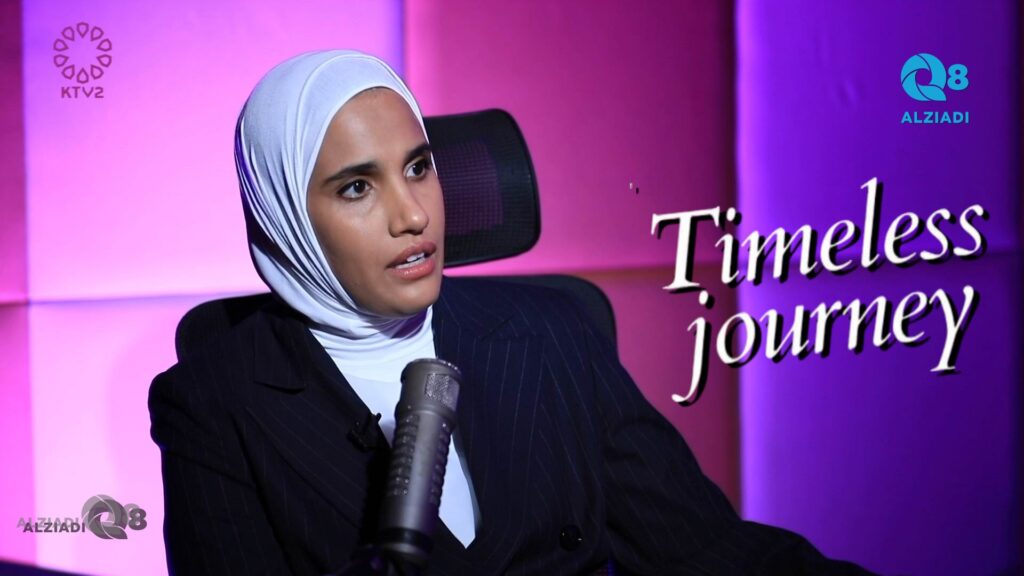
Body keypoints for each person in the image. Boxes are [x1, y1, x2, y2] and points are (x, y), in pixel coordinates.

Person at [149, 49, 876, 575]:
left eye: (419, 167)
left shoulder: (553, 332)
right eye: (356, 188)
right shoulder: (213, 402)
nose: (412, 215)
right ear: (285, 217)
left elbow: (708, 553)